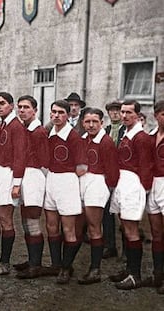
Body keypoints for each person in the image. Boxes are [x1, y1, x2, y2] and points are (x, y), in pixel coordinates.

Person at [109, 100, 153, 290]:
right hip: (122, 183)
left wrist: (141, 190)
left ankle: (135, 275)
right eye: (123, 112)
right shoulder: (125, 133)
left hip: (133, 185)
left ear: (138, 115)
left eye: (129, 113)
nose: (124, 116)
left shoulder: (141, 137)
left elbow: (145, 167)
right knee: (125, 229)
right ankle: (128, 269)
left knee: (132, 230)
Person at [44, 99, 87, 284]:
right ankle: (56, 264)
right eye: (53, 112)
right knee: (51, 226)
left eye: (61, 112)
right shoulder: (50, 133)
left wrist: (68, 180)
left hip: (68, 181)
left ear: (68, 115)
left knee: (69, 229)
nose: (56, 115)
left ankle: (66, 267)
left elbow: (83, 167)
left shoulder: (74, 137)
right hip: (51, 180)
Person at [0, 92, 26, 276]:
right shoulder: (3, 124)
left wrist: (16, 183)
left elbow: (19, 156)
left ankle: (5, 263)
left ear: (11, 105)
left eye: (2, 103)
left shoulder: (16, 126)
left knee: (6, 220)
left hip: (9, 175)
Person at [78, 108, 119, 284]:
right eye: (87, 121)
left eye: (95, 121)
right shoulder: (82, 140)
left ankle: (95, 269)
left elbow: (112, 173)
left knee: (94, 227)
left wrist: (107, 191)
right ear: (82, 123)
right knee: (78, 226)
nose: (91, 125)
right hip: (83, 184)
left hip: (98, 185)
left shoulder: (106, 142)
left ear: (101, 123)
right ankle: (65, 265)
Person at [14, 95, 50, 279]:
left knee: (33, 220)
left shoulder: (39, 131)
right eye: (19, 107)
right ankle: (31, 260)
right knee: (25, 221)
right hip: (24, 175)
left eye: (26, 107)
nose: (22, 110)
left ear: (35, 110)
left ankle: (36, 265)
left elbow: (45, 161)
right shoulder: (25, 129)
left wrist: (39, 181)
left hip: (35, 176)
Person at [144, 100, 164, 294]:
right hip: (154, 185)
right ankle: (158, 273)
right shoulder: (151, 137)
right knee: (156, 233)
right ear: (156, 115)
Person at [103, 101, 125, 259]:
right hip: (108, 176)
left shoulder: (127, 130)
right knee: (106, 211)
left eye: (118, 111)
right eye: (112, 111)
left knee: (123, 213)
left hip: (123, 176)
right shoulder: (105, 131)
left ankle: (126, 249)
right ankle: (110, 246)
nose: (115, 114)